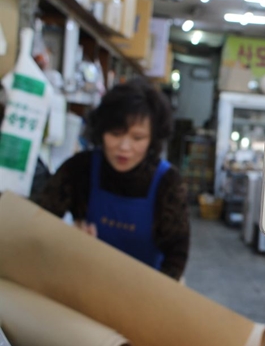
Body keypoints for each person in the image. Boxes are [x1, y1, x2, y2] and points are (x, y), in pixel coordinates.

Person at [35, 79, 190, 280]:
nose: (124, 147)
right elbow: (39, 219)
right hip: (84, 280)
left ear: (152, 139)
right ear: (101, 131)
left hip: (145, 289)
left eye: (137, 138)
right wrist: (66, 237)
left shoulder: (168, 183)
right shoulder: (80, 169)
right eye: (116, 134)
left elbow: (177, 254)